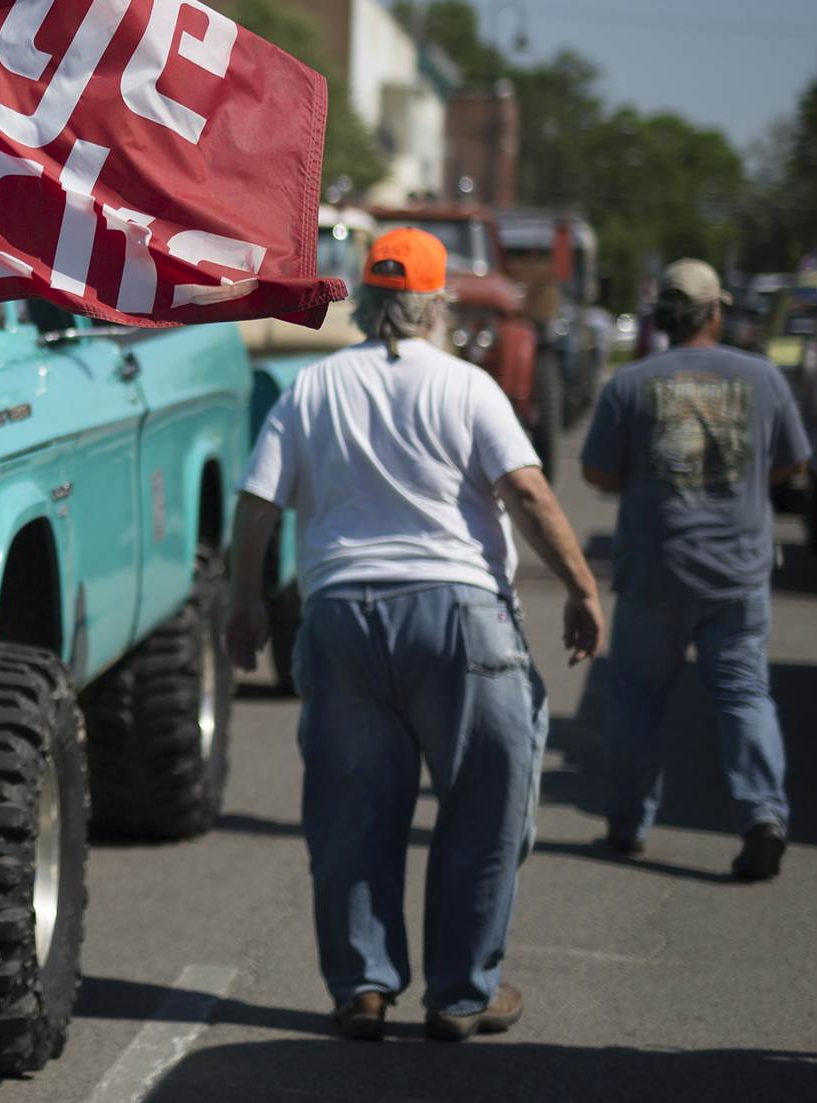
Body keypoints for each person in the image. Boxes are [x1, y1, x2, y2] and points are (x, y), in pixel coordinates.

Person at [229, 226, 605, 1043]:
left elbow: (257, 503)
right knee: (483, 803)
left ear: (365, 300)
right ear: (436, 303)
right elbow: (529, 493)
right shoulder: (467, 387)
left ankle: (363, 987)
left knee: (350, 810)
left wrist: (244, 605)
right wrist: (580, 585)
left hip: (340, 617)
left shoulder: (312, 387)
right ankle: (462, 993)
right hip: (457, 616)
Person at [580, 258, 811, 881]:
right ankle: (762, 815)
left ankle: (627, 824)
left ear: (660, 319)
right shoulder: (764, 379)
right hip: (737, 574)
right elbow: (793, 465)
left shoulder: (630, 384)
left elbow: (596, 472)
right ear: (717, 313)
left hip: (655, 570)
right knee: (743, 694)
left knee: (636, 701)